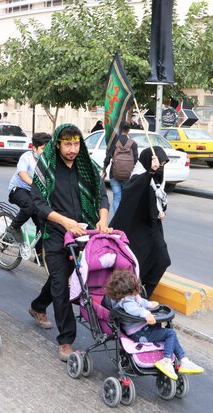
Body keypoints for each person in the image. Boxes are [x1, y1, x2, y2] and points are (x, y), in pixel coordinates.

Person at [30, 124, 111, 360]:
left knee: (67, 277)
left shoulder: (87, 167)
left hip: (84, 233)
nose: (72, 149)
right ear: (58, 144)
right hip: (56, 233)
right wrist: (65, 222)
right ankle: (66, 341)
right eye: (68, 144)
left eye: (76, 144)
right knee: (60, 285)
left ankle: (37, 306)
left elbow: (102, 196)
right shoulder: (46, 168)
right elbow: (39, 204)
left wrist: (102, 220)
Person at [106, 268, 204, 380]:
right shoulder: (127, 301)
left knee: (170, 335)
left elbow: (139, 301)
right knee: (170, 334)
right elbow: (133, 309)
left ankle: (184, 360)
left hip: (141, 329)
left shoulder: (128, 296)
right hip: (139, 333)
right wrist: (146, 313)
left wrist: (149, 304)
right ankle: (167, 360)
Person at [110, 146, 171, 297]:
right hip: (138, 231)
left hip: (153, 229)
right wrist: (150, 172)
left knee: (162, 261)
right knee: (138, 267)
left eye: (163, 165)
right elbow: (135, 191)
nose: (161, 169)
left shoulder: (157, 181)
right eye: (159, 165)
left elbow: (159, 200)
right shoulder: (139, 178)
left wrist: (161, 211)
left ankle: (144, 296)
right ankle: (130, 299)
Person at [6, 132, 51, 252]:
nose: (46, 152)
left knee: (43, 221)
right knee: (30, 206)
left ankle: (39, 253)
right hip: (18, 189)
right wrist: (34, 184)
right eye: (43, 148)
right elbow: (22, 173)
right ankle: (13, 227)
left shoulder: (48, 161)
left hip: (34, 193)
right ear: (34, 148)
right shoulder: (26, 157)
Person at [102, 122, 138, 214]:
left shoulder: (113, 142)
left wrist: (104, 169)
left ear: (119, 129)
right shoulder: (133, 143)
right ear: (128, 130)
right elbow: (135, 159)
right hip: (128, 175)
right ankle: (124, 219)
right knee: (126, 197)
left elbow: (107, 158)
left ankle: (116, 220)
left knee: (117, 196)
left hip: (114, 174)